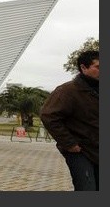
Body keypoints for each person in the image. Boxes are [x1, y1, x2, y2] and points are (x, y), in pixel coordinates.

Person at [40, 50, 99, 191]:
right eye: (98, 67)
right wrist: (70, 144)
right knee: (86, 188)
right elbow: (48, 116)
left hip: (98, 150)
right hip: (80, 152)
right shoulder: (68, 91)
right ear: (83, 68)